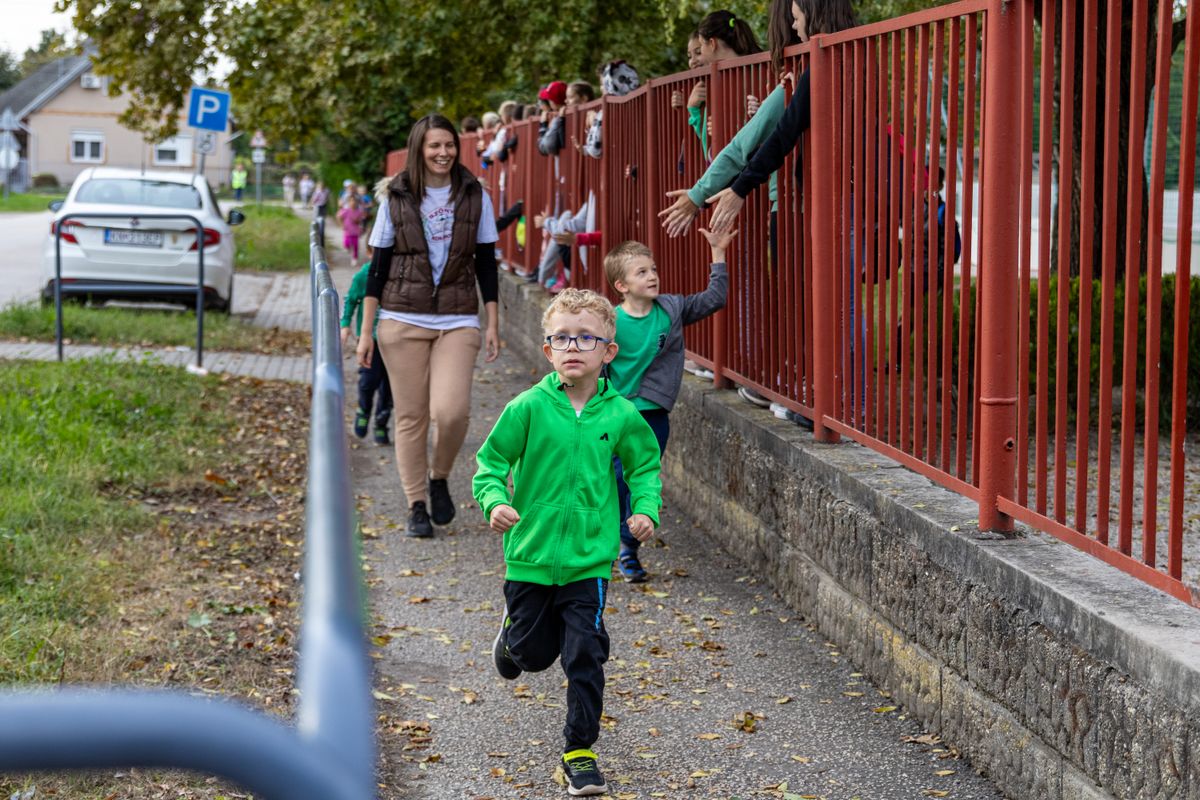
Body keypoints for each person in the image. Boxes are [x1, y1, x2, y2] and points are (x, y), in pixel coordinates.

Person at [472, 288, 662, 798]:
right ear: (548, 348)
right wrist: (495, 502)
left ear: (608, 352)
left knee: (585, 652)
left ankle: (579, 753)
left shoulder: (620, 414)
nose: (573, 345)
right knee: (533, 656)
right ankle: (513, 637)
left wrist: (644, 510)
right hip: (530, 555)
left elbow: (645, 466)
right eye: (562, 337)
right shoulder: (528, 407)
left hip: (589, 562)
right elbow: (489, 464)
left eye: (586, 337)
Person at [357, 114, 501, 538]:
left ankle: (440, 476)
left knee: (451, 412)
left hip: (457, 319)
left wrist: (491, 322)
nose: (443, 153)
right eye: (434, 146)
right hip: (401, 320)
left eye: (449, 145)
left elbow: (487, 265)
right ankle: (416, 502)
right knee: (412, 415)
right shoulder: (397, 198)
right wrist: (367, 331)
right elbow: (377, 270)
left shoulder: (475, 196)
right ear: (420, 149)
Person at [604, 231, 730, 582]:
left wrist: (717, 253)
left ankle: (628, 547)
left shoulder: (671, 310)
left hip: (653, 413)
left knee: (640, 477)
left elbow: (713, 300)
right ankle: (604, 540)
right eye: (642, 272)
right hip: (615, 412)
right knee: (613, 477)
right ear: (622, 285)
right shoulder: (609, 322)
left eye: (653, 269)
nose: (653, 276)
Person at [683, 11, 763, 159]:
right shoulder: (758, 70)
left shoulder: (741, 77)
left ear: (712, 44)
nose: (695, 59)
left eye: (700, 48)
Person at [340, 245, 392, 446]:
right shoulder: (364, 275)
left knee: (390, 386)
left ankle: (381, 422)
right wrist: (345, 325)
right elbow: (351, 299)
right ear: (370, 254)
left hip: (395, 342)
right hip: (371, 340)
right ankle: (363, 410)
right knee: (368, 381)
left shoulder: (398, 274)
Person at [338, 194, 367, 261]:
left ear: (357, 202)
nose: (353, 202)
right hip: (347, 230)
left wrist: (357, 221)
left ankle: (355, 257)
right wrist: (342, 225)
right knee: (346, 243)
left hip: (355, 231)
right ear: (348, 202)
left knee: (355, 245)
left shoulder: (359, 211)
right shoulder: (346, 210)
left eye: (354, 201)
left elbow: (361, 220)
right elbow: (339, 217)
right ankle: (348, 248)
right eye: (351, 201)